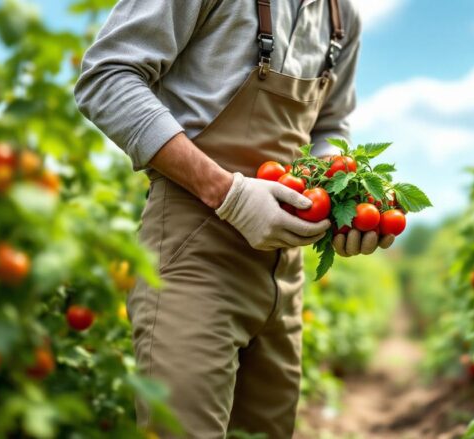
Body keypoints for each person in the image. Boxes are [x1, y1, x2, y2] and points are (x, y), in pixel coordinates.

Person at [74, 0, 395, 437]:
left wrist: (343, 203)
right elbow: (106, 77)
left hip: (285, 270)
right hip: (193, 254)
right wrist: (228, 193)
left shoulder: (341, 16)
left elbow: (330, 126)